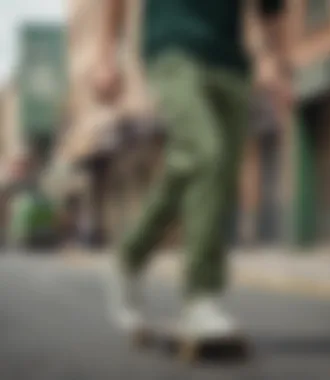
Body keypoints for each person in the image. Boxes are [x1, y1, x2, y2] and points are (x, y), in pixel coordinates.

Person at [93, 0, 291, 338]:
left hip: (231, 62)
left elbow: (270, 8)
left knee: (214, 174)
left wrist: (276, 61)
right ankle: (200, 298)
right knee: (204, 153)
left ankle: (130, 255)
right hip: (172, 48)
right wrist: (105, 57)